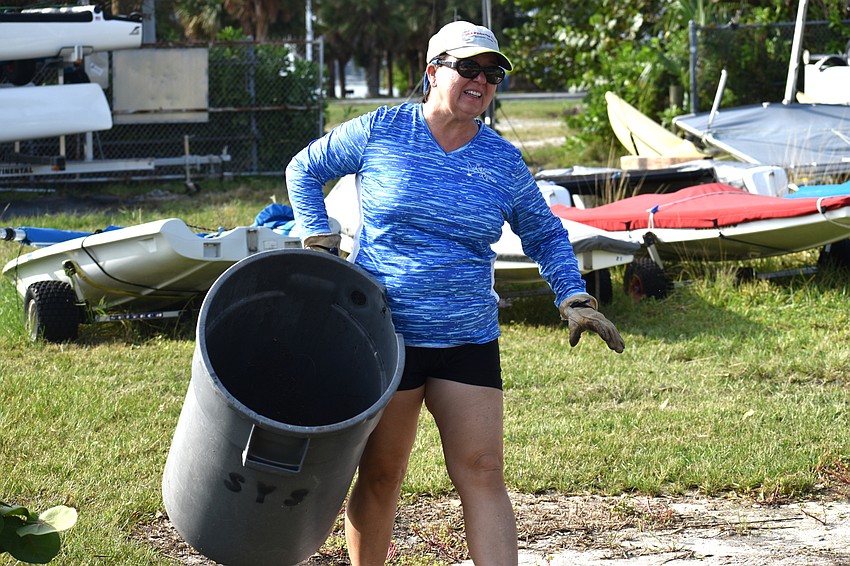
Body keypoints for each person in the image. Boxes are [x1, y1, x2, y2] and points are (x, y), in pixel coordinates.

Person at [286, 20, 625, 565]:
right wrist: (319, 239)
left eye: (492, 73)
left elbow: (543, 232)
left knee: (484, 470)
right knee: (382, 473)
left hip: (466, 336)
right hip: (384, 336)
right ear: (432, 71)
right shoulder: (381, 131)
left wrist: (573, 296)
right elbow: (304, 169)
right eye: (468, 67)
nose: (481, 81)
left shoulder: (502, 161)